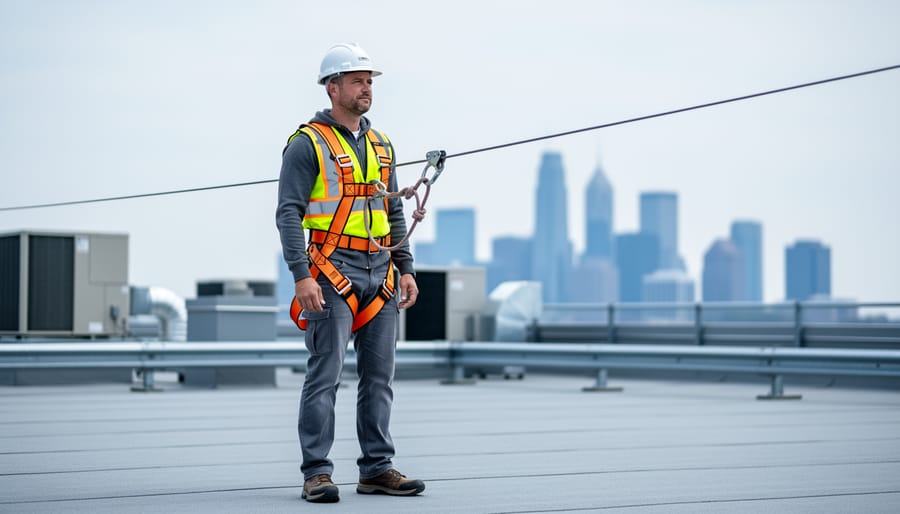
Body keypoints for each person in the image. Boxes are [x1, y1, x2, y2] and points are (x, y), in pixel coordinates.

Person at [275, 42, 425, 504]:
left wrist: (406, 267)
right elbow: (288, 213)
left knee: (380, 377)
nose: (367, 89)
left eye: (370, 81)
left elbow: (392, 210)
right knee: (326, 373)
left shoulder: (382, 145)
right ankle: (316, 472)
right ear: (333, 87)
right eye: (358, 81)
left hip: (379, 270)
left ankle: (376, 469)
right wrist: (301, 277)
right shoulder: (307, 144)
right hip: (328, 271)